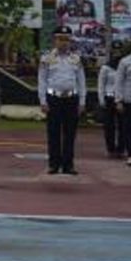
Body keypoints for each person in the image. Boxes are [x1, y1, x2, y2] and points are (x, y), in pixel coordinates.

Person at [39, 26, 86, 175]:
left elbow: (81, 81)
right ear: (55, 40)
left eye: (66, 39)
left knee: (70, 133)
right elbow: (42, 80)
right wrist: (42, 100)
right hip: (53, 98)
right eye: (60, 39)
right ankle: (54, 164)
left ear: (70, 41)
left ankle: (68, 165)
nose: (63, 42)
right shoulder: (47, 58)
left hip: (71, 99)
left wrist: (82, 101)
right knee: (53, 133)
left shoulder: (76, 58)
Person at [98, 50, 121, 158]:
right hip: (109, 97)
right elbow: (101, 84)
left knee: (123, 125)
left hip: (121, 98)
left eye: (119, 51)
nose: (117, 54)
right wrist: (101, 99)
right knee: (109, 125)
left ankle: (121, 148)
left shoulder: (124, 66)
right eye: (115, 52)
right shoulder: (106, 68)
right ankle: (110, 148)